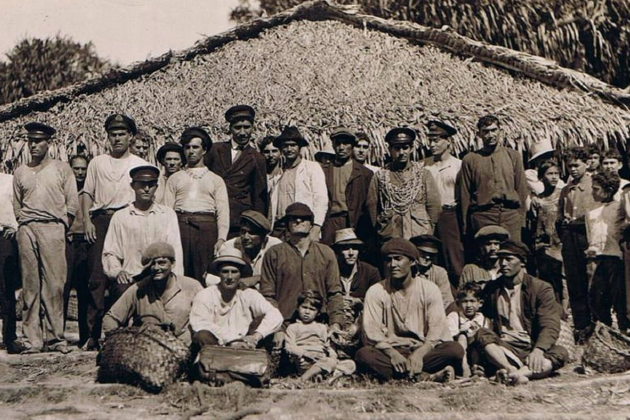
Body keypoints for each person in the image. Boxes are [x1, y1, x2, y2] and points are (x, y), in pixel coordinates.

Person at [81, 113, 148, 350]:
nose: (117, 138)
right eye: (113, 134)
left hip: (128, 220)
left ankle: (122, 332)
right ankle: (93, 334)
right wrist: (87, 221)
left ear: (130, 136)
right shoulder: (97, 162)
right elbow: (87, 194)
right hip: (101, 219)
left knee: (128, 274)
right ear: (107, 137)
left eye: (122, 134)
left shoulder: (140, 163)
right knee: (97, 278)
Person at [356, 238, 463, 382]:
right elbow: (372, 332)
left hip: (423, 350)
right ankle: (425, 377)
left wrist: (420, 353)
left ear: (412, 261)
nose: (392, 265)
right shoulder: (376, 291)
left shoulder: (429, 289)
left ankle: (402, 377)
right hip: (391, 351)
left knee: (454, 349)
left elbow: (436, 329)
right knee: (364, 355)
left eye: (398, 259)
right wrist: (392, 353)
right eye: (388, 260)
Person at [13, 122, 79, 354]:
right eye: (30, 141)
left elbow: (72, 204)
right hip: (27, 229)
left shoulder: (62, 169)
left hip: (53, 229)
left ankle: (55, 338)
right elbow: (17, 205)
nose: (33, 145)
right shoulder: (21, 172)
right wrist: (25, 224)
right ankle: (33, 340)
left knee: (55, 285)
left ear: (47, 143)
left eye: (38, 141)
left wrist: (61, 226)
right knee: (30, 286)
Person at [475, 240, 568, 385]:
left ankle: (517, 375)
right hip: (503, 348)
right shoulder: (493, 288)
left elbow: (550, 324)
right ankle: (510, 370)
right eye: (500, 259)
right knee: (482, 334)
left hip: (529, 345)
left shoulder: (540, 288)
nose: (503, 264)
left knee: (560, 353)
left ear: (522, 262)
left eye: (509, 259)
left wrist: (538, 350)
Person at [260, 203, 343, 349]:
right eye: (293, 218)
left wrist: (335, 323)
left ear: (311, 224)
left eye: (304, 218)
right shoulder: (274, 254)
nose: (299, 221)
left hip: (319, 325)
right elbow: (268, 296)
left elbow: (334, 292)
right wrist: (277, 329)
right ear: (287, 224)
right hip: (285, 325)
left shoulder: (326, 253)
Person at [102, 165, 183, 303]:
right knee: (121, 292)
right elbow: (110, 253)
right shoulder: (120, 216)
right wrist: (118, 272)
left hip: (160, 276)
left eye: (151, 185)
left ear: (156, 187)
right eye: (142, 184)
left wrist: (176, 278)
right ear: (133, 186)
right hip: (132, 276)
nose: (146, 189)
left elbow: (176, 250)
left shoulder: (167, 214)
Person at [102, 242, 203, 345]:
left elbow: (207, 318)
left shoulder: (192, 287)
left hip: (184, 349)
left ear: (172, 264)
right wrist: (117, 342)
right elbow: (111, 318)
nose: (156, 268)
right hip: (149, 352)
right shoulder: (139, 289)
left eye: (162, 263)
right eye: (152, 264)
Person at [164, 127, 229, 282]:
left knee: (205, 273)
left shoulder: (215, 179)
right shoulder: (175, 178)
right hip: (181, 227)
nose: (191, 151)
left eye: (195, 147)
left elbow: (223, 211)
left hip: (206, 229)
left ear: (204, 150)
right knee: (180, 272)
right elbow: (167, 211)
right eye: (187, 147)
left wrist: (221, 238)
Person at [189, 247, 283, 350]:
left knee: (264, 324)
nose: (230, 277)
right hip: (216, 347)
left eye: (234, 272)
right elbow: (199, 323)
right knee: (202, 335)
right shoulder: (206, 294)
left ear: (240, 274)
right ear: (218, 274)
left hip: (246, 345)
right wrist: (232, 341)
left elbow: (275, 315)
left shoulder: (248, 294)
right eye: (225, 272)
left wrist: (256, 336)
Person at [458, 115, 528, 242]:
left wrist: (521, 219)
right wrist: (465, 225)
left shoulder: (513, 156)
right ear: (479, 134)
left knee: (511, 252)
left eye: (494, 130)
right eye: (485, 131)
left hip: (510, 215)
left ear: (500, 131)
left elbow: (521, 189)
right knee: (486, 255)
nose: (490, 135)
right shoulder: (470, 159)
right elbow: (465, 194)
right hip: (483, 216)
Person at [366, 127, 441, 245]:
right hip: (391, 235)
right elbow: (372, 208)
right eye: (397, 148)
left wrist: (428, 230)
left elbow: (434, 207)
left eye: (405, 148)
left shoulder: (423, 174)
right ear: (390, 149)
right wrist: (381, 230)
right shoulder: (380, 176)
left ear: (411, 148)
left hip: (419, 234)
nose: (402, 153)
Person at [206, 105, 267, 238]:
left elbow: (259, 196)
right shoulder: (215, 150)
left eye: (247, 127)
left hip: (238, 219)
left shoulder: (257, 158)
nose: (242, 132)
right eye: (238, 127)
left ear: (253, 128)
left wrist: (257, 224)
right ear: (230, 129)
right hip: (213, 214)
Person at [557, 147, 595, 343]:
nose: (572, 169)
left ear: (587, 164)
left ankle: (598, 327)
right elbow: (560, 215)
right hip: (571, 238)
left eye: (576, 165)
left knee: (592, 282)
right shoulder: (566, 189)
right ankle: (582, 328)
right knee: (574, 282)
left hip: (589, 238)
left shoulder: (594, 186)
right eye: (569, 165)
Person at [423, 119, 464, 285]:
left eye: (437, 140)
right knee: (431, 257)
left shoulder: (458, 166)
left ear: (449, 141)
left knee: (453, 258)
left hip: (450, 216)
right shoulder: (424, 165)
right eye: (430, 140)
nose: (432, 144)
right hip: (428, 217)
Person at [585, 171, 627, 333]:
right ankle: (605, 332)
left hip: (616, 258)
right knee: (596, 297)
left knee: (619, 298)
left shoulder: (619, 208)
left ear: (608, 190)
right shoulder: (592, 209)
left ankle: (623, 333)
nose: (593, 192)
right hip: (597, 258)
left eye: (596, 189)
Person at [285, 290, 356, 383]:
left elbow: (329, 346)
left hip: (321, 358)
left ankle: (320, 377)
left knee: (350, 364)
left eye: (312, 309)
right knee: (329, 364)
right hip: (305, 360)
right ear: (298, 308)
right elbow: (290, 347)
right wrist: (306, 354)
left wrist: (333, 357)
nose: (307, 312)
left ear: (318, 313)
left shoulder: (321, 327)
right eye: (304, 307)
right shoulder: (293, 327)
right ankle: (303, 379)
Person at [271, 126, 328, 241]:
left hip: (302, 224)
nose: (289, 149)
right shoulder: (278, 172)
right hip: (281, 227)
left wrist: (316, 227)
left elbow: (320, 199)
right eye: (285, 146)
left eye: (293, 145)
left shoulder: (311, 168)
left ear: (299, 147)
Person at [331, 228, 380, 356]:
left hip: (362, 319)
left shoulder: (370, 272)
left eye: (355, 248)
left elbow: (379, 301)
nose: (351, 253)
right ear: (337, 252)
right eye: (346, 248)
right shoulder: (330, 271)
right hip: (336, 318)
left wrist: (359, 301)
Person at [321, 127, 374, 245]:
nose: (341, 147)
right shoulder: (323, 171)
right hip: (330, 222)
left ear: (352, 145)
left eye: (345, 143)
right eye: (338, 143)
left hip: (353, 222)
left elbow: (369, 205)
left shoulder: (364, 174)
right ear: (333, 145)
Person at [214, 210, 282, 288]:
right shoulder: (229, 246)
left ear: (263, 236)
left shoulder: (275, 247)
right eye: (243, 232)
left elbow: (283, 275)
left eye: (252, 233)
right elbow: (213, 277)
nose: (246, 237)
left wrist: (257, 278)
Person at [64, 155, 91, 346]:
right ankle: (58, 335)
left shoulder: (91, 192)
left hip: (86, 244)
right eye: (76, 169)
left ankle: (85, 336)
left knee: (84, 290)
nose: (80, 173)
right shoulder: (63, 191)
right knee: (63, 288)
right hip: (68, 242)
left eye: (83, 169)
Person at [530, 161, 564, 307]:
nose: (554, 177)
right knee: (546, 278)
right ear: (541, 177)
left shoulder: (563, 196)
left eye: (556, 173)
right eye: (550, 174)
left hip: (560, 244)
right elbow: (533, 223)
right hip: (543, 245)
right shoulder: (537, 200)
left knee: (563, 280)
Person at [446, 283, 492, 377]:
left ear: (480, 303)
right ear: (458, 303)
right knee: (462, 337)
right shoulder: (454, 317)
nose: (468, 305)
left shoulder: (485, 320)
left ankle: (477, 367)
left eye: (472, 301)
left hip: (479, 354)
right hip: (460, 354)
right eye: (465, 301)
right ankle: (465, 368)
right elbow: (452, 337)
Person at [0, 149, 21, 354]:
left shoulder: (9, 180)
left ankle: (9, 337)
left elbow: (19, 207)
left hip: (3, 238)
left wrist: (14, 227)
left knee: (5, 289)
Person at [409, 234, 455, 311]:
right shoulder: (408, 270)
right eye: (423, 253)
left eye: (431, 254)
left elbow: (446, 301)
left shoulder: (439, 272)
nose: (427, 257)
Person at [259, 135, 283, 224]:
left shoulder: (284, 176)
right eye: (266, 152)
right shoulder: (259, 178)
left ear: (280, 153)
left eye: (274, 151)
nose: (271, 155)